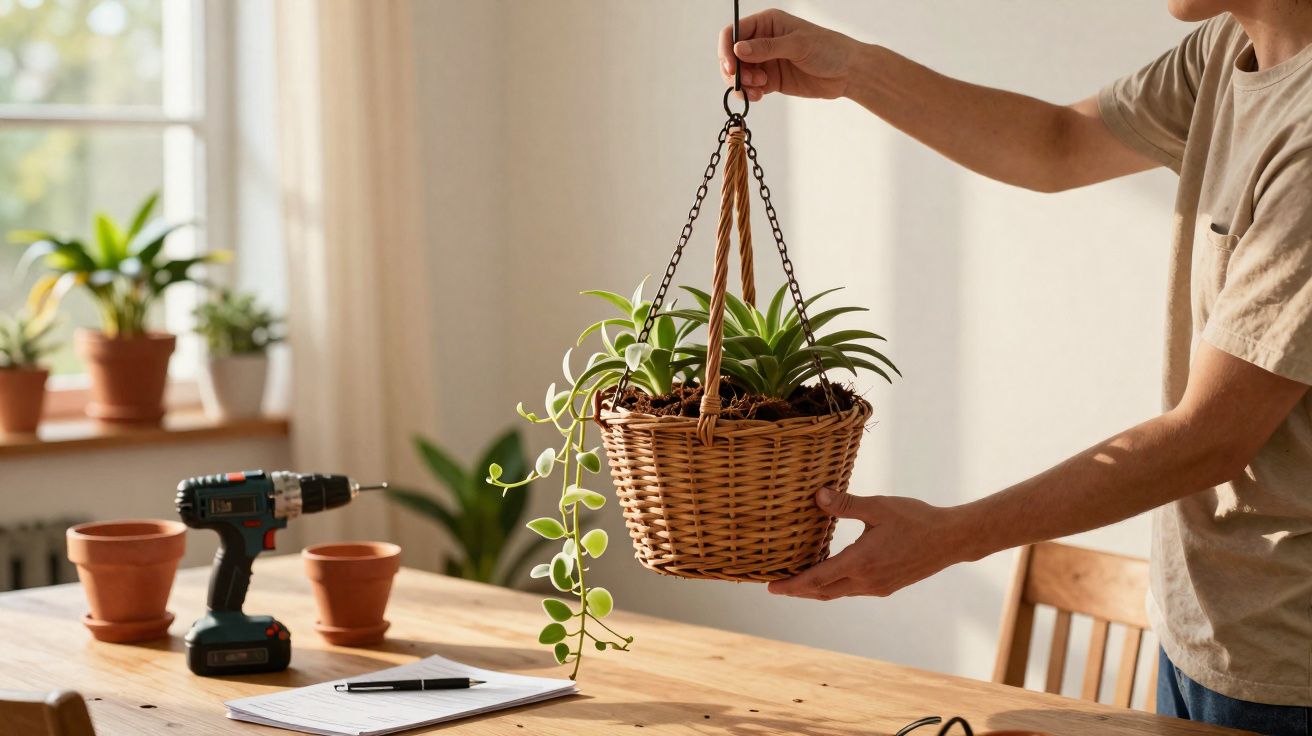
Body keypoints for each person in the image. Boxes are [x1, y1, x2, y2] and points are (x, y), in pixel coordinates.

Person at [718, 3, 1312, 733]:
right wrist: (854, 67)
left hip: (1289, 671)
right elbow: (1055, 144)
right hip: (1201, 636)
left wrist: (948, 537)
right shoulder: (1225, 51)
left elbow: (1212, 437)